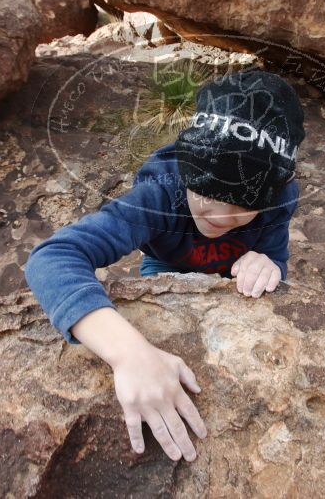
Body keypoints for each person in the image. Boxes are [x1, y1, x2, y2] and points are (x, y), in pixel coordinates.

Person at [24, 68, 305, 463]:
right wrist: (128, 354)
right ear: (188, 161)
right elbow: (52, 258)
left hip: (233, 276)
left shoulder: (278, 199)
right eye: (206, 188)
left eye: (244, 201)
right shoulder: (158, 197)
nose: (221, 216)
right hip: (166, 266)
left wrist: (268, 262)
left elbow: (276, 259)